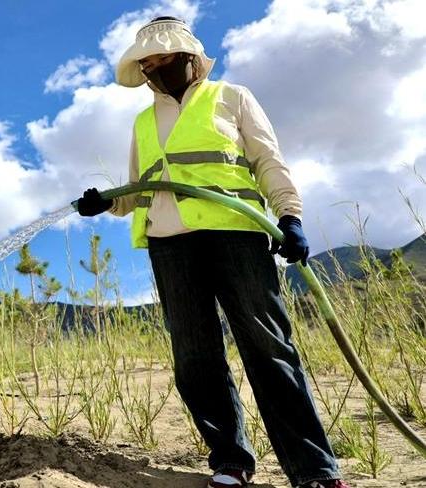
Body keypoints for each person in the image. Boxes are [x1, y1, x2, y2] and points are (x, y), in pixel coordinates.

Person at [76, 16, 349, 488]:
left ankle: (314, 471)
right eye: (148, 62)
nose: (156, 66)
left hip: (236, 233)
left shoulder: (233, 98)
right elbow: (142, 187)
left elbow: (267, 160)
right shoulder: (144, 121)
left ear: (189, 56)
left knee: (268, 348)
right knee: (195, 356)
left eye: (164, 57)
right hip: (170, 243)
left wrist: (289, 216)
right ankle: (230, 461)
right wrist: (105, 202)